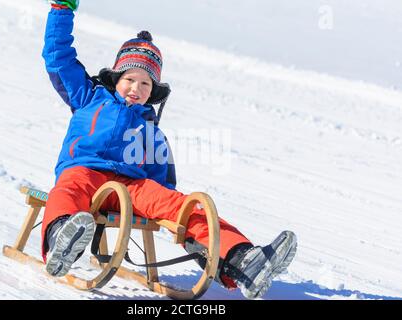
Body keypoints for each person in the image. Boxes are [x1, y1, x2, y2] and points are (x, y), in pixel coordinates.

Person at [41, 0, 297, 299]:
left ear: (154, 91)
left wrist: (171, 210)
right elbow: (58, 58)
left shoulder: (151, 130)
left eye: (146, 84)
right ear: (115, 79)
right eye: (130, 80)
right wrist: (62, 9)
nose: (136, 89)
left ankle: (241, 260)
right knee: (67, 190)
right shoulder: (89, 96)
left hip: (131, 188)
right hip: (84, 171)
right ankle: (63, 237)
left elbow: (163, 182)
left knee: (183, 205)